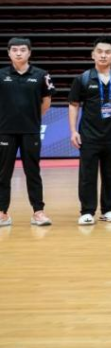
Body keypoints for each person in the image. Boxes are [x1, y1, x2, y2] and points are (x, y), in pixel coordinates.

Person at [68, 36, 111, 225]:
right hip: (89, 135)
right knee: (87, 175)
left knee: (110, 174)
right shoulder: (82, 78)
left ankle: (108, 210)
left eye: (107, 52)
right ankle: (87, 211)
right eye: (99, 52)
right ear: (93, 55)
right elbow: (73, 105)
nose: (103, 55)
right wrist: (73, 131)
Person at [0, 37, 55, 227]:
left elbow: (46, 101)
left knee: (33, 172)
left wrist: (31, 118)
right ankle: (2, 213)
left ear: (29, 52)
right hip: (5, 131)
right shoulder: (1, 74)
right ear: (8, 53)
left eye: (22, 50)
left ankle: (38, 212)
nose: (18, 53)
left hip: (31, 131)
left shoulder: (41, 75)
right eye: (14, 50)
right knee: (3, 173)